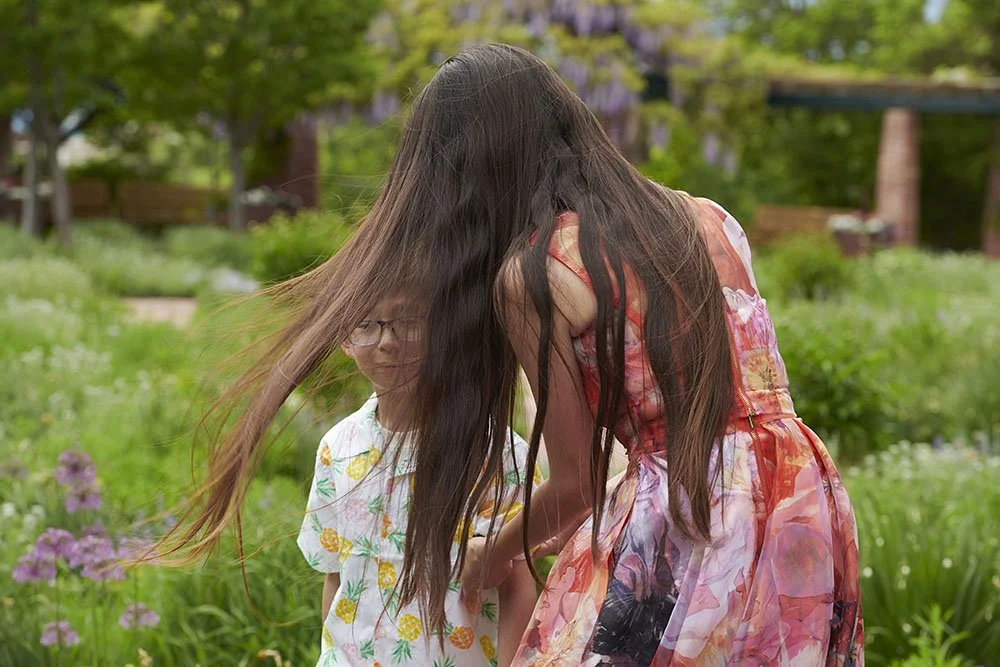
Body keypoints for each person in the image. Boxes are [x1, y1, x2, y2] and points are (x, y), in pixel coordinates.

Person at [163, 43, 863, 666]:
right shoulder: (707, 216)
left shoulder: (535, 272)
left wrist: (488, 553)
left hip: (681, 508)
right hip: (801, 491)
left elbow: (576, 486)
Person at [297, 290, 538, 666]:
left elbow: (520, 586)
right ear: (344, 338)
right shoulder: (337, 448)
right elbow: (336, 577)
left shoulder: (494, 452)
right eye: (367, 325)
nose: (387, 342)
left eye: (407, 322)